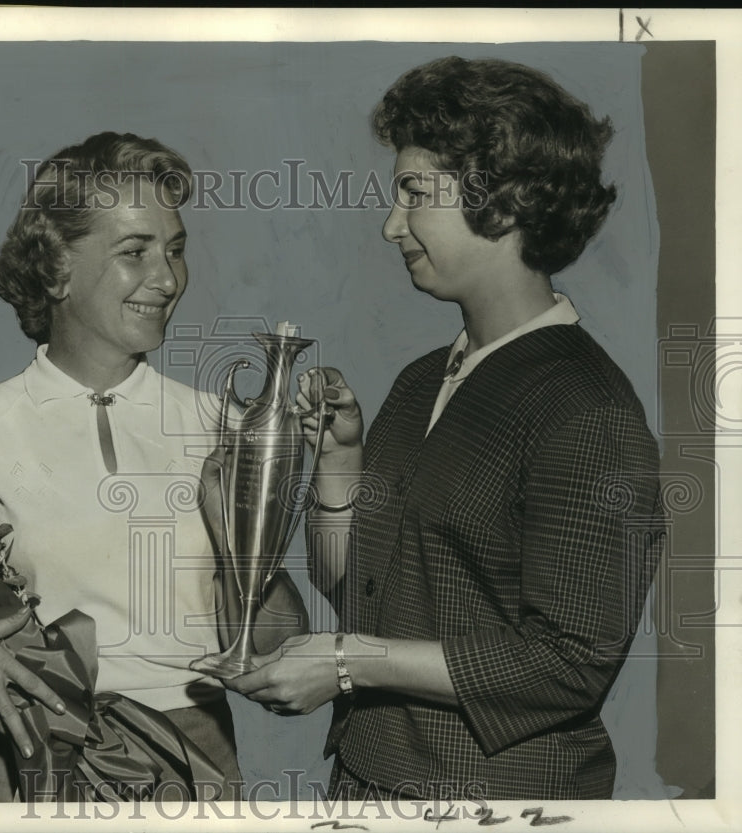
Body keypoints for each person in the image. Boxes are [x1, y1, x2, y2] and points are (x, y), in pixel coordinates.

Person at [224, 56, 665, 802]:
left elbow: (571, 660)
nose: (391, 223)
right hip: (367, 783)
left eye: (413, 194)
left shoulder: (588, 408)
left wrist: (345, 662)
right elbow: (354, 590)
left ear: (505, 198)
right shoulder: (423, 379)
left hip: (499, 799)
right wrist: (340, 464)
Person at [0, 132, 302, 801]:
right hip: (15, 769)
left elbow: (279, 643)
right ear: (54, 269)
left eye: (176, 249)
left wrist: (238, 540)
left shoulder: (226, 427)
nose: (168, 278)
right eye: (135, 252)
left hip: (192, 770)